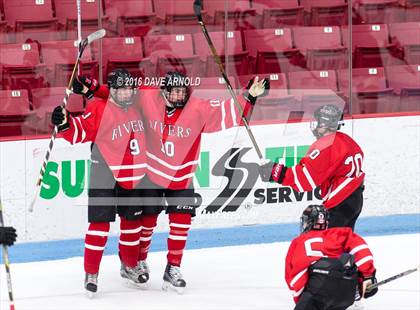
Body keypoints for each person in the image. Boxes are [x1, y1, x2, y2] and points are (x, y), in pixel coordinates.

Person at [72, 71, 269, 293]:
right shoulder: (149, 98)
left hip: (181, 177)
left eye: (182, 91)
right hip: (152, 175)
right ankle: (137, 261)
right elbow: (120, 94)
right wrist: (93, 89)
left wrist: (249, 96)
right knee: (146, 224)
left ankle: (173, 268)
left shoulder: (197, 107)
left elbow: (227, 111)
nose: (179, 96)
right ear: (164, 91)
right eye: (174, 91)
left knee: (181, 224)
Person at [51, 69, 147, 297]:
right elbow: (80, 132)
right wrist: (64, 123)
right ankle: (91, 272)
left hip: (133, 175)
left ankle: (130, 265)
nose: (125, 94)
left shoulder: (140, 107)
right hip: (103, 172)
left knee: (132, 224)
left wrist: (92, 88)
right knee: (99, 225)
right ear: (112, 91)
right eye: (120, 89)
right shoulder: (99, 107)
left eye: (128, 89)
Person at [259, 104, 365, 230]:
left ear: (326, 125)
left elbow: (305, 179)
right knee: (344, 240)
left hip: (340, 202)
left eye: (319, 122)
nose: (315, 125)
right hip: (356, 199)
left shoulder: (326, 145)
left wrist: (276, 172)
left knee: (329, 243)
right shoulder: (346, 140)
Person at [286, 204, 378, 310]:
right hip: (347, 290)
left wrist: (302, 300)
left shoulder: (299, 241)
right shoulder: (338, 233)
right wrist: (368, 276)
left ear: (308, 222)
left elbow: (296, 272)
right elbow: (360, 249)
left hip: (319, 287)